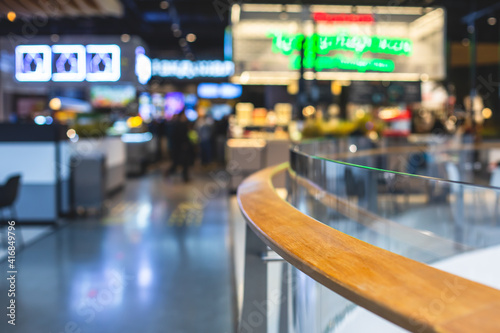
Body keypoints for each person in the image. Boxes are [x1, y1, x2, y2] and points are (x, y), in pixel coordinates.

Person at [165, 110, 194, 182]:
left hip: (179, 147)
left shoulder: (180, 124)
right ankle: (169, 173)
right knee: (178, 162)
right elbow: (179, 136)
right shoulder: (179, 125)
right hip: (180, 147)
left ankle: (184, 177)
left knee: (182, 163)